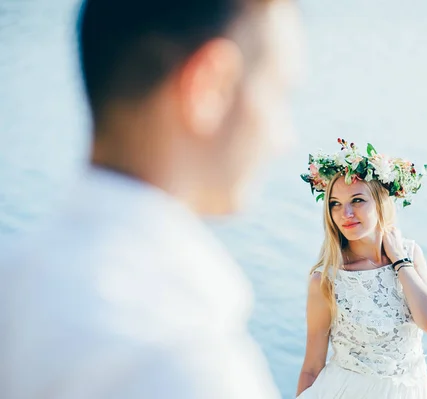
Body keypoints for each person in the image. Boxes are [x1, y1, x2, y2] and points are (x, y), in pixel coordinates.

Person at [0, 0, 304, 398]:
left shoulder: (16, 280)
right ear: (209, 87)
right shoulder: (184, 358)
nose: (284, 138)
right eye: (277, 93)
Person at [296, 139, 427, 398]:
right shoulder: (326, 280)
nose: (346, 213)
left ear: (380, 201)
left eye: (357, 200)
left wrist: (399, 260)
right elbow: (311, 367)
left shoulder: (410, 254)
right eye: (335, 203)